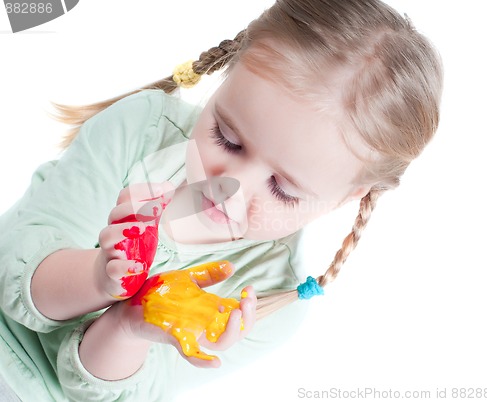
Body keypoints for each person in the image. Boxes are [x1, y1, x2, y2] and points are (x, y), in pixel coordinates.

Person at [0, 0, 443, 400]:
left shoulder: (269, 298)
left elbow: (103, 394)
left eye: (282, 189)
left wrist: (130, 325)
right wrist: (99, 277)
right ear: (224, 76)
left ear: (345, 199)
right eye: (226, 138)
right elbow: (14, 267)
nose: (231, 186)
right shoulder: (141, 132)